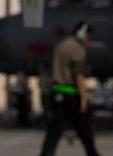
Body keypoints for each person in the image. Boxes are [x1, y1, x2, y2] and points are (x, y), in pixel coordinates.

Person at [38, 22, 101, 156]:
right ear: (81, 34)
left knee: (54, 131)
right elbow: (78, 75)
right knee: (85, 129)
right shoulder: (77, 49)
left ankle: (45, 154)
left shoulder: (61, 45)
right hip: (72, 94)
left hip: (58, 94)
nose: (88, 40)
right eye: (88, 37)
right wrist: (84, 98)